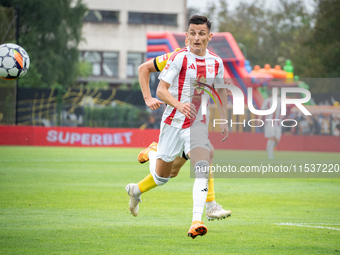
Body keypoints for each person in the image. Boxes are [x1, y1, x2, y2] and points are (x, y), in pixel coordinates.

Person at [126, 15, 229, 239]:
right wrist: (177, 104)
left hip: (197, 124)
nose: (197, 38)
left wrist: (223, 117)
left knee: (203, 161)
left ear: (209, 37)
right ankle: (152, 155)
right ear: (187, 36)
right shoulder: (178, 58)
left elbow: (221, 89)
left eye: (202, 33)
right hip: (172, 122)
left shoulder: (216, 62)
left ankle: (197, 220)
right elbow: (161, 89)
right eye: (193, 33)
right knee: (164, 176)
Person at [261, 88, 283, 159]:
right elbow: (262, 110)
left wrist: (283, 115)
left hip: (278, 123)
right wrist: (259, 118)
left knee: (277, 140)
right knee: (272, 138)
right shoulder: (267, 101)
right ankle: (270, 155)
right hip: (269, 123)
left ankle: (268, 147)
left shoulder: (281, 101)